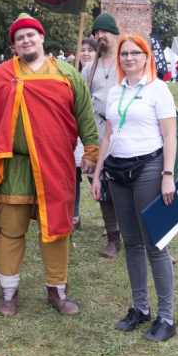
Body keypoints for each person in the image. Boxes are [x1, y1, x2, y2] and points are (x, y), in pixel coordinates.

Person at [0, 13, 99, 317]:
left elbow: (84, 115)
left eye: (31, 35)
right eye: (19, 38)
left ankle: (57, 292)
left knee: (55, 229)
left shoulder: (67, 73)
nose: (26, 40)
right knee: (11, 230)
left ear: (41, 37)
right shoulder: (2, 75)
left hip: (56, 165)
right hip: (14, 166)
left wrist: (91, 151)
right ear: (14, 46)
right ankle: (9, 294)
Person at [90, 34, 178, 342]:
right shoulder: (115, 91)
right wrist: (99, 173)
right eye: (124, 53)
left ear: (145, 57)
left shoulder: (158, 89)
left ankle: (166, 318)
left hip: (150, 169)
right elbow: (108, 136)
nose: (128, 58)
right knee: (132, 244)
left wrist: (168, 175)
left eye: (134, 53)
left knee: (154, 244)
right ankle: (141, 309)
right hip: (117, 171)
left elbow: (171, 137)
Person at [81, 13, 124, 258]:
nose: (100, 36)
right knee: (103, 188)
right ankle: (113, 238)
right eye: (96, 33)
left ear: (114, 33)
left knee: (133, 187)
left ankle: (146, 239)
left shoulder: (125, 60)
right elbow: (84, 102)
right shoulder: (90, 67)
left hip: (125, 132)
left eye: (104, 32)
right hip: (98, 132)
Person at [72, 38, 98, 231]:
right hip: (75, 132)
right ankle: (74, 217)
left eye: (90, 50)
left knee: (97, 175)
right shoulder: (72, 76)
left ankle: (111, 221)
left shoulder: (103, 75)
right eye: (82, 50)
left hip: (95, 132)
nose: (86, 54)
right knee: (73, 177)